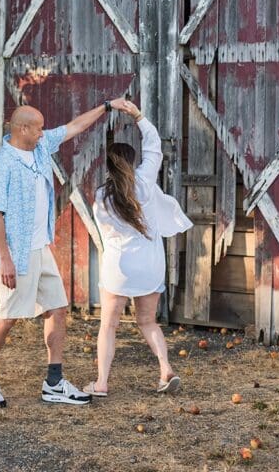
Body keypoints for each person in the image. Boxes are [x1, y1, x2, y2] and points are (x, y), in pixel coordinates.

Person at [0, 96, 136, 409]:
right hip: (17, 254)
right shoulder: (4, 165)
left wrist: (106, 106)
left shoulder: (41, 149)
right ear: (22, 129)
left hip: (40, 248)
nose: (44, 133)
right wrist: (4, 257)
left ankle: (54, 381)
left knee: (57, 309)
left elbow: (74, 127)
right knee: (8, 316)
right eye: (39, 129)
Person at [84, 98, 193, 398]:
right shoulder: (144, 182)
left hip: (119, 267)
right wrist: (138, 115)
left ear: (107, 167)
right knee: (148, 322)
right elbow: (154, 145)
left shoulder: (102, 196)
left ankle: (102, 383)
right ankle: (165, 369)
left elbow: (105, 233)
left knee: (109, 325)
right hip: (150, 264)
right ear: (132, 163)